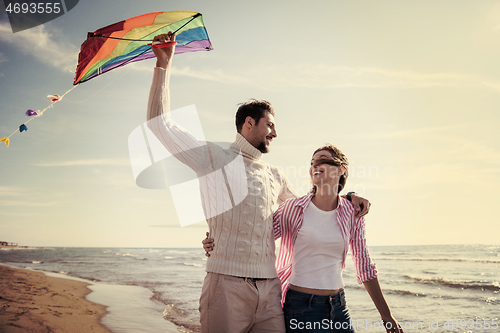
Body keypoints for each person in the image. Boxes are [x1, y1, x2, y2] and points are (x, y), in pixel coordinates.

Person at [148, 32, 371, 333]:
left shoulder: (275, 174)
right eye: (270, 125)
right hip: (225, 285)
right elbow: (160, 125)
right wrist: (163, 64)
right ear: (248, 123)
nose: (275, 134)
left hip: (270, 292)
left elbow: (312, 206)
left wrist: (349, 195)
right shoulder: (211, 157)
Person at [205, 145, 403, 333]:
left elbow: (364, 265)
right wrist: (217, 240)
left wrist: (386, 316)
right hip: (301, 307)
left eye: (323, 160)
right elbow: (256, 236)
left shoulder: (353, 213)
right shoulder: (294, 208)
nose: (315, 166)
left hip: (339, 307)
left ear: (341, 169)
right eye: (312, 162)